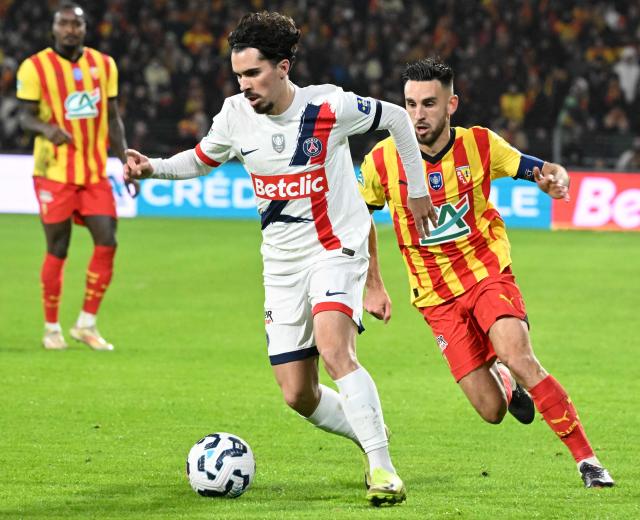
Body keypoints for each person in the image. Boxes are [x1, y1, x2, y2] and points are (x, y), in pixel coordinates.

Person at [123, 12, 436, 506]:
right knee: (298, 394)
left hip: (336, 247)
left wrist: (416, 190)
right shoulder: (233, 115)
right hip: (282, 264)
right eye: (238, 76)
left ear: (283, 67)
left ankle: (383, 469)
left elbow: (397, 118)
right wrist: (152, 168)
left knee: (336, 349)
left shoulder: (329, 105)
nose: (244, 85)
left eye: (253, 73)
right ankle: (368, 428)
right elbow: (202, 159)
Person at [360, 58, 615, 489]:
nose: (417, 115)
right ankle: (503, 381)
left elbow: (538, 168)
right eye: (409, 105)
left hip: (486, 273)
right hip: (435, 297)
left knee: (520, 357)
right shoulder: (382, 160)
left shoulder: (479, 145)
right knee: (491, 411)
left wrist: (554, 177)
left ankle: (588, 462)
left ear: (451, 104)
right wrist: (373, 284)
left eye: (428, 104)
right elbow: (357, 218)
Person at [17, 2, 135, 351]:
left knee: (108, 240)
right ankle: (51, 328)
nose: (70, 29)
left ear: (85, 29)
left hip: (93, 170)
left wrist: (124, 161)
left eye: (76, 25)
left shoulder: (104, 64)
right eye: (64, 23)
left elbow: (113, 119)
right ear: (54, 28)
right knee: (58, 246)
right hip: (53, 172)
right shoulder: (35, 66)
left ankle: (86, 323)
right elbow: (24, 117)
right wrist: (46, 129)